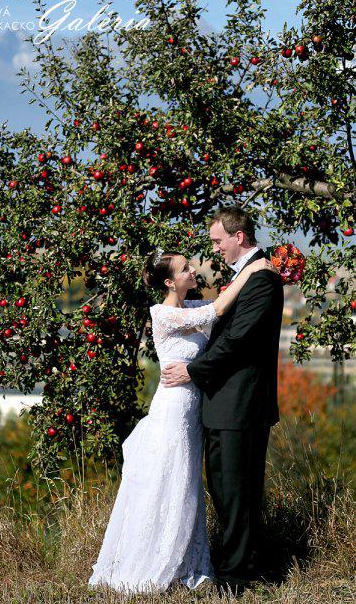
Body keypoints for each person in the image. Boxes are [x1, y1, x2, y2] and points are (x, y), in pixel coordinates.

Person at [88, 240, 277, 595]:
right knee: (168, 481)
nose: (193, 271)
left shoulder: (192, 305)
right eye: (185, 269)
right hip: (173, 410)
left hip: (194, 411)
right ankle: (153, 562)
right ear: (169, 283)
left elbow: (224, 308)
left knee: (187, 485)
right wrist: (253, 268)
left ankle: (183, 559)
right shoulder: (163, 313)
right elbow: (218, 309)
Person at [161, 206, 284, 597]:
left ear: (238, 237)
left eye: (218, 241)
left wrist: (193, 371)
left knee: (235, 490)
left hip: (240, 403)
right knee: (228, 487)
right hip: (226, 403)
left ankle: (236, 576)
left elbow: (238, 340)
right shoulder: (249, 275)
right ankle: (246, 564)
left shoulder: (262, 280)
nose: (215, 249)